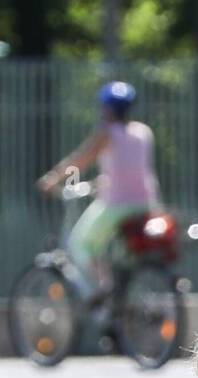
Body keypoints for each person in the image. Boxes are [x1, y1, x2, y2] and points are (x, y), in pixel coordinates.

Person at [36, 81, 159, 291]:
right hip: (146, 203)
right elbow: (131, 167)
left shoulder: (107, 132)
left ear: (106, 107)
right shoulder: (143, 132)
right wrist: (100, 182)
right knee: (119, 253)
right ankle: (118, 295)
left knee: (80, 244)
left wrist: (52, 179)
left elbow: (80, 160)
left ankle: (103, 291)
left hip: (117, 204)